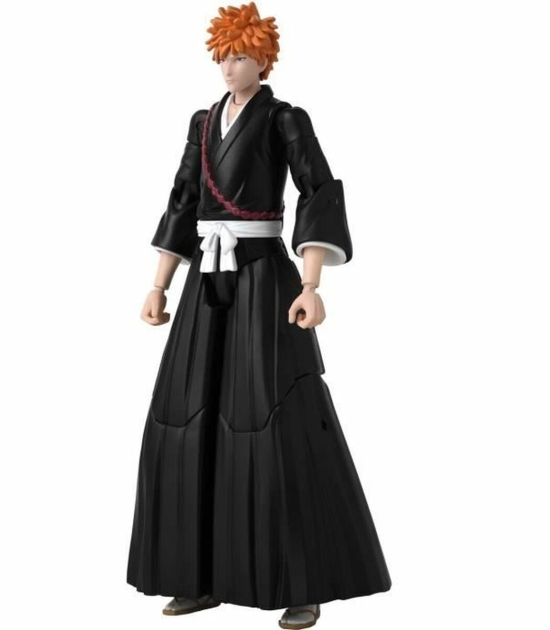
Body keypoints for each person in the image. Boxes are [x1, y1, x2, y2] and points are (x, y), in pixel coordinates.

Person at [126, 3, 392, 628]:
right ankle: (195, 574)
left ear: (263, 60)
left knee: (273, 414)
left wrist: (311, 283)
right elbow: (183, 199)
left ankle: (302, 581)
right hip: (205, 276)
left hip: (263, 276)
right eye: (222, 56)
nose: (229, 67)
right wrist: (159, 283)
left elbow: (318, 191)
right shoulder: (203, 122)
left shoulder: (283, 119)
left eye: (241, 56)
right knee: (187, 411)